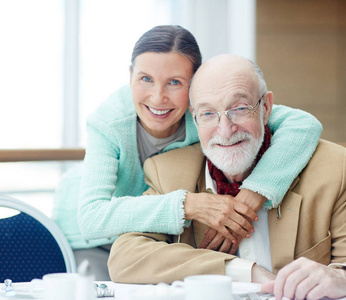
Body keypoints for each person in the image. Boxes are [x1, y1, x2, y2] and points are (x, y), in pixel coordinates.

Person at [108, 54, 346, 299]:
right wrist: (241, 271)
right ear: (195, 119)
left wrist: (343, 278)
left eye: (239, 108)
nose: (225, 129)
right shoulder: (169, 171)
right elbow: (126, 257)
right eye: (209, 114)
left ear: (266, 108)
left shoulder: (328, 166)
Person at [52, 25, 323, 279]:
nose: (158, 98)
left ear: (195, 86)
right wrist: (189, 205)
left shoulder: (205, 114)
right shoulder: (108, 123)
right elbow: (91, 218)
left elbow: (304, 124)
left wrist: (251, 196)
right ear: (130, 76)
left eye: (175, 82)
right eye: (145, 79)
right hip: (93, 242)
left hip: (154, 239)